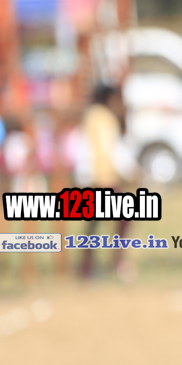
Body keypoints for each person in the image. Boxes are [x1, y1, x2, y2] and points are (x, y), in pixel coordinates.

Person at [75, 84, 137, 280]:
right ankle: (116, 261)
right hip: (102, 179)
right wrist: (131, 170)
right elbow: (111, 149)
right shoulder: (104, 119)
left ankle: (88, 267)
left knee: (93, 225)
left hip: (93, 178)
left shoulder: (91, 117)